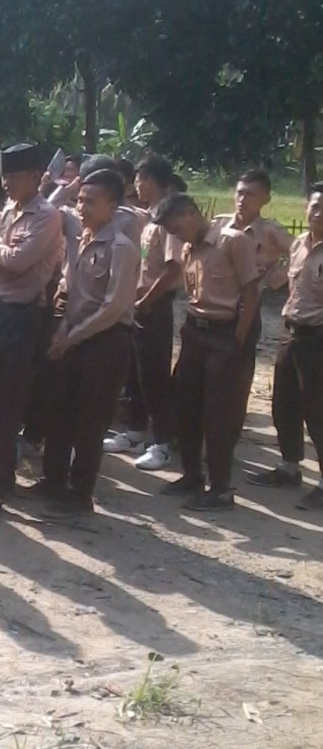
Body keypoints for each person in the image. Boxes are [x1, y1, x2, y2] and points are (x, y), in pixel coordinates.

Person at [0, 144, 63, 517]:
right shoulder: (11, 211)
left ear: (36, 176)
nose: (7, 183)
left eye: (14, 177)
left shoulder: (46, 217)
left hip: (23, 316)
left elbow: (17, 261)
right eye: (5, 177)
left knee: (5, 404)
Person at [33, 168, 140, 516]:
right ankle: (52, 481)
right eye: (80, 199)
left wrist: (73, 337)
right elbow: (67, 289)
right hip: (72, 338)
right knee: (58, 412)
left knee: (90, 422)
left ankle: (79, 496)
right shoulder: (78, 240)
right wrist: (63, 328)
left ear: (113, 206)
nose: (82, 207)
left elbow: (115, 307)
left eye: (91, 202)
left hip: (105, 343)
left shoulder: (121, 248)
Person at [152, 193, 260, 510]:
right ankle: (192, 475)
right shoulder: (189, 248)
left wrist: (238, 340)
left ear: (190, 213)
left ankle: (221, 487)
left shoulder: (232, 241)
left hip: (225, 335)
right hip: (195, 332)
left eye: (176, 227)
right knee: (186, 406)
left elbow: (251, 294)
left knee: (218, 414)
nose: (176, 235)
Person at [104, 153, 183, 471]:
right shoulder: (147, 218)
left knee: (153, 375)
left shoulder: (169, 220)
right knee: (134, 372)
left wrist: (148, 300)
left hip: (154, 306)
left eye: (140, 180)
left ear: (151, 182)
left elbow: (173, 267)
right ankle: (135, 430)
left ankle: (161, 443)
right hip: (137, 305)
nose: (137, 186)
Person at [246, 188, 323, 511]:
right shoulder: (300, 245)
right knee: (284, 403)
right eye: (315, 206)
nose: (317, 213)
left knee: (317, 411)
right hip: (291, 333)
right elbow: (288, 285)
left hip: (318, 336)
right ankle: (290, 467)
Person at [215, 169, 293, 428]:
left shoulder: (270, 231)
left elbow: (302, 253)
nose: (242, 200)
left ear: (266, 200)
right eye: (239, 193)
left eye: (250, 195)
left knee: (238, 373)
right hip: (213, 307)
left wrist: (273, 278)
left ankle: (231, 428)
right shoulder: (219, 225)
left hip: (246, 309)